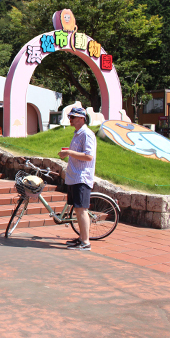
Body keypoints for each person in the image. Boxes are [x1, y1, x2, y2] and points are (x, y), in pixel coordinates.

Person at [58, 107, 96, 251]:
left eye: (73, 117)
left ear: (81, 118)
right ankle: (81, 238)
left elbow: (88, 156)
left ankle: (85, 242)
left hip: (82, 176)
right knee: (78, 209)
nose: (70, 119)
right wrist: (68, 151)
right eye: (70, 117)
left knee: (81, 209)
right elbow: (79, 153)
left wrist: (69, 152)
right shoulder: (78, 134)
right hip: (74, 176)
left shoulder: (87, 134)